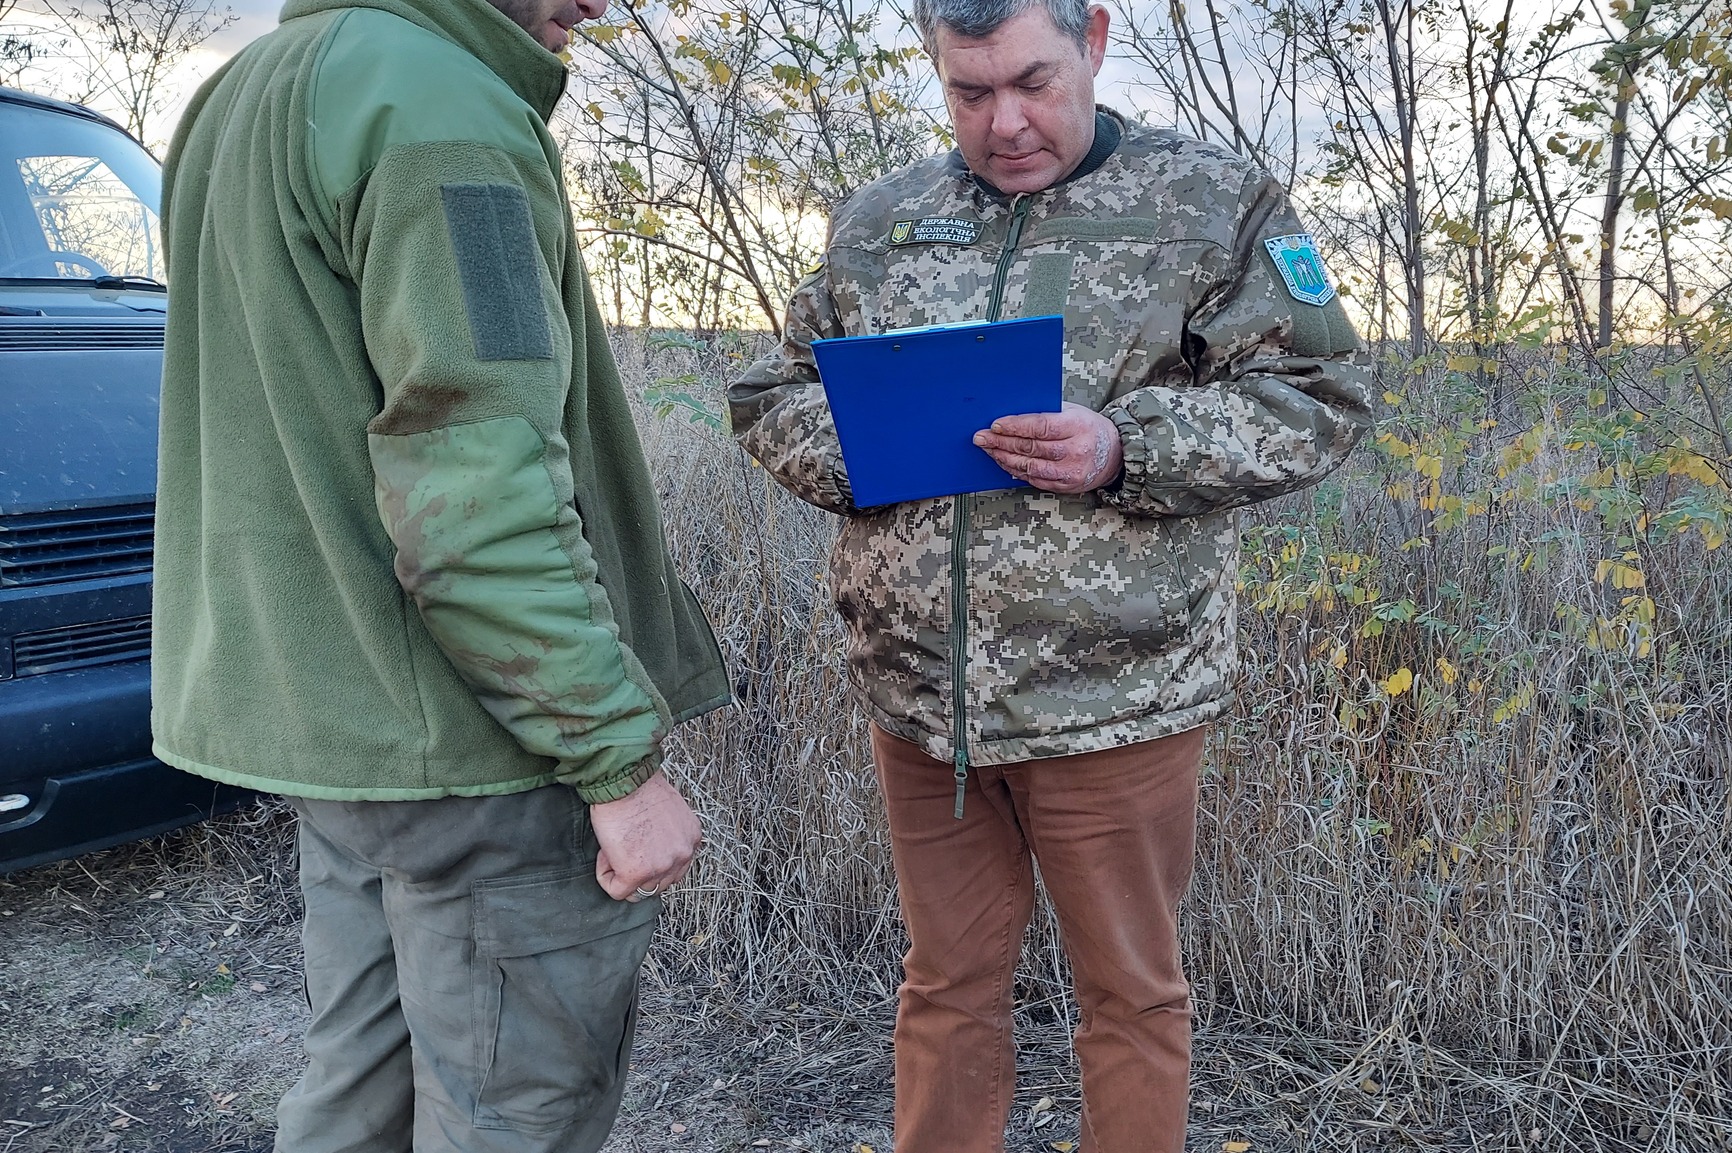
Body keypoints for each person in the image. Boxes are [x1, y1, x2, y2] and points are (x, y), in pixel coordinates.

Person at [727, 0, 1372, 1146]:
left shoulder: (1208, 202)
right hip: (925, 705)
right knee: (944, 988)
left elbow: (1320, 398)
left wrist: (1127, 448)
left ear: (1095, 41)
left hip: (1113, 701)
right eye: (970, 92)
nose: (1005, 123)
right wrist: (863, 452)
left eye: (1031, 81)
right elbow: (773, 392)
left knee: (1130, 998)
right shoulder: (881, 221)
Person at [153, 0, 731, 1149]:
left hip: (340, 736)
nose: (598, 7)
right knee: (513, 1113)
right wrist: (614, 764)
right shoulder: (438, 112)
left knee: (354, 1091)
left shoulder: (242, 94)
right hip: (479, 753)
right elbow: (478, 498)